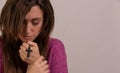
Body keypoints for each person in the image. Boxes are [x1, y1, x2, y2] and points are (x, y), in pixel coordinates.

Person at [0, 0, 68, 73]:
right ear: (10, 20)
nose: (27, 31)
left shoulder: (55, 48)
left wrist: (36, 62)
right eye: (21, 22)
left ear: (45, 21)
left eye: (35, 23)